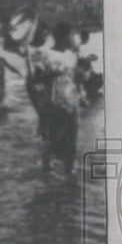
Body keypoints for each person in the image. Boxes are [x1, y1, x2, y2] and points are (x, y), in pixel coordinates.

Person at [36, 21, 80, 173]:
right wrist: (53, 72)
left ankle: (68, 176)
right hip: (54, 104)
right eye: (71, 35)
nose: (73, 39)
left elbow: (73, 77)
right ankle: (47, 173)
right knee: (54, 141)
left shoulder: (72, 55)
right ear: (62, 36)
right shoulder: (45, 54)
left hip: (70, 103)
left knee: (71, 143)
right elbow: (37, 79)